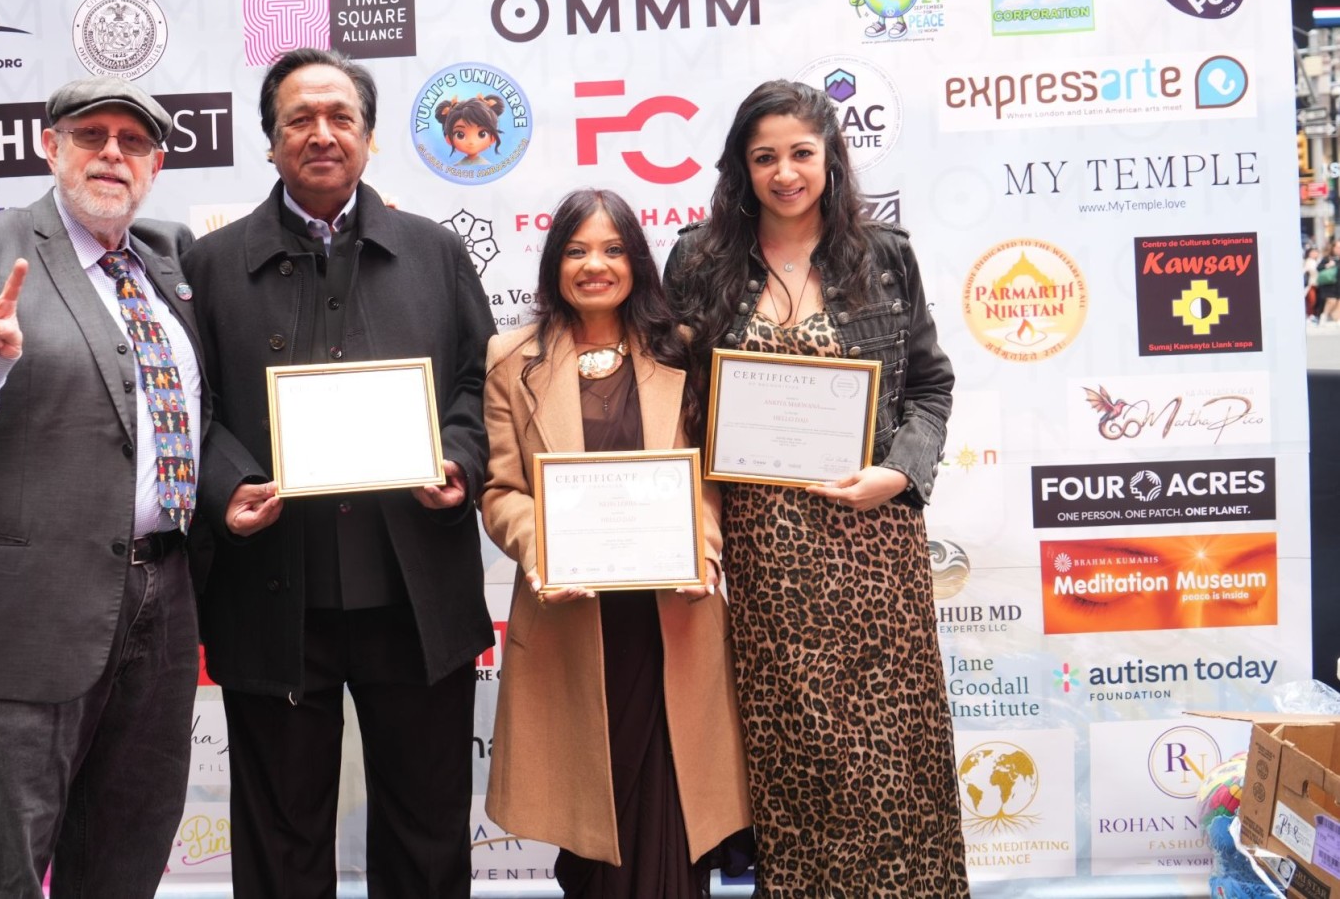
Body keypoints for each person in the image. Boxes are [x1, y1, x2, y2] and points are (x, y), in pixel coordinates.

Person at [0, 75, 205, 899]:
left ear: (155, 165)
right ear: (50, 147)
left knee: (126, 854)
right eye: (92, 136)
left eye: (134, 142)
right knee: (0, 871)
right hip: (19, 618)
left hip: (162, 603)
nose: (113, 154)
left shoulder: (170, 258)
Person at [183, 47, 496, 899]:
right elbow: (187, 405)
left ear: (367, 136)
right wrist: (225, 487)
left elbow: (479, 383)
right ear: (270, 139)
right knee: (279, 841)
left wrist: (459, 459)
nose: (321, 134)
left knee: (427, 831)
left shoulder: (434, 252)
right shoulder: (209, 266)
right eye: (300, 119)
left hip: (414, 591)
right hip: (272, 590)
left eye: (340, 118)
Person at [664, 79, 967, 898]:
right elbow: (674, 401)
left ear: (831, 157)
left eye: (802, 153)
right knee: (794, 747)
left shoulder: (883, 256)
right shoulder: (699, 262)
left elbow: (930, 387)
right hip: (763, 548)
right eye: (765, 157)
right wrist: (693, 527)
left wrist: (900, 472)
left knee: (894, 747)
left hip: (873, 539)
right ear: (742, 166)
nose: (785, 173)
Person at [480, 188, 752, 897]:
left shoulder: (683, 351)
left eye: (612, 249)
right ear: (554, 263)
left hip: (673, 619)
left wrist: (704, 553)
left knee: (673, 821)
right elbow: (502, 491)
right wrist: (542, 550)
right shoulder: (510, 358)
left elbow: (710, 480)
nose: (594, 265)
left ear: (637, 262)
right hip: (573, 620)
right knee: (595, 835)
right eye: (576, 251)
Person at [1318, 239, 1340, 325]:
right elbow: (1319, 268)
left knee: (1338, 302)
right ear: (1333, 248)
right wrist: (1328, 265)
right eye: (1337, 247)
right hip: (1329, 284)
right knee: (1331, 300)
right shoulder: (1328, 258)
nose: (1338, 249)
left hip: (1338, 284)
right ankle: (1324, 316)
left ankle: (1336, 319)